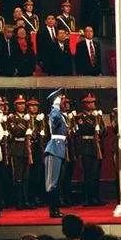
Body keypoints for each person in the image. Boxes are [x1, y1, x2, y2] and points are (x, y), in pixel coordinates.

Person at [74, 93, 104, 206]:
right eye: (89, 102)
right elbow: (80, 131)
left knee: (96, 173)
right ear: (84, 104)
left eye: (93, 102)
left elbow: (104, 131)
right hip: (86, 146)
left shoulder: (98, 116)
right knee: (87, 173)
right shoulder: (80, 117)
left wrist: (100, 129)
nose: (92, 104)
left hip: (96, 146)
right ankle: (87, 198)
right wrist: (93, 126)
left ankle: (96, 197)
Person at [6, 95, 33, 210]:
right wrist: (24, 123)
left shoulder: (28, 117)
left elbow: (33, 132)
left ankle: (26, 200)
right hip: (16, 148)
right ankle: (19, 202)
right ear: (15, 105)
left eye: (23, 104)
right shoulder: (12, 118)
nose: (22, 106)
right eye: (19, 104)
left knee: (26, 176)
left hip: (26, 148)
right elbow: (15, 131)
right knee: (18, 176)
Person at [44, 89, 68, 218]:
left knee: (58, 181)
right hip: (54, 149)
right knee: (52, 182)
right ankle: (53, 210)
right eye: (62, 100)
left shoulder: (62, 115)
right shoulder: (55, 113)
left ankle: (56, 208)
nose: (65, 103)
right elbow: (54, 119)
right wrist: (56, 105)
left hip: (60, 149)